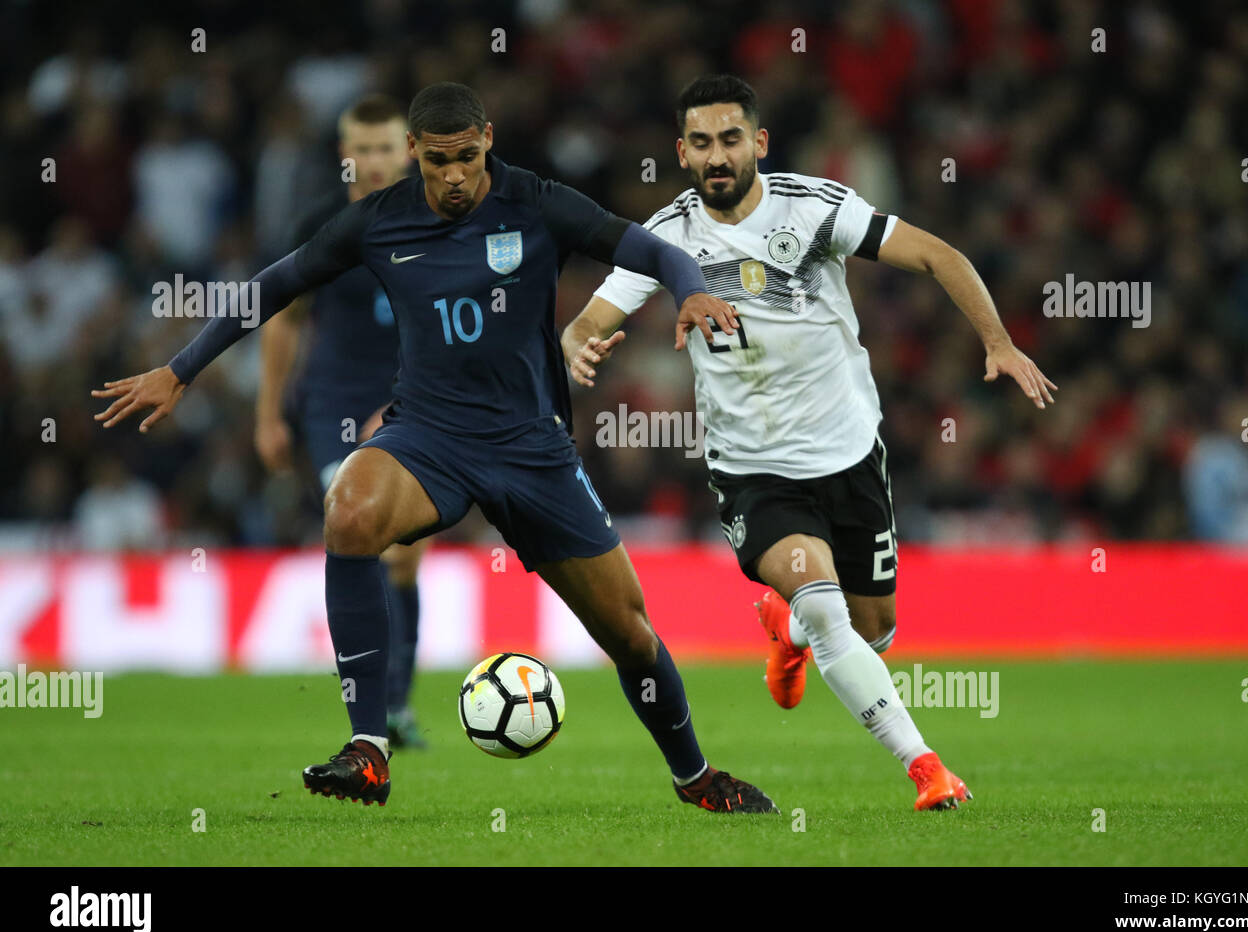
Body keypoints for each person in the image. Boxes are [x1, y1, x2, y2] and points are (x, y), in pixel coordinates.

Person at [93, 81, 775, 814]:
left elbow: (650, 248)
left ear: (487, 140)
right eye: (438, 161)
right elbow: (275, 285)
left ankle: (695, 777)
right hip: (429, 436)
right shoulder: (377, 221)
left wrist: (692, 291)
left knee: (632, 636)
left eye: (467, 158)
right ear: (415, 152)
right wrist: (179, 370)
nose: (453, 176)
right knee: (348, 511)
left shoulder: (537, 202)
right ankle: (369, 749)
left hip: (531, 448)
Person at [563, 74, 1057, 810]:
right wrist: (578, 345)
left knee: (875, 632)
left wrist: (998, 343)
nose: (717, 156)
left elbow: (938, 255)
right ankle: (927, 769)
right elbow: (588, 319)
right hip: (755, 471)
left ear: (759, 142)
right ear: (682, 153)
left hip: (850, 455)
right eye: (701, 143)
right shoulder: (665, 237)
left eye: (731, 139)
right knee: (831, 614)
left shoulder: (817, 208)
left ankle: (783, 624)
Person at [255, 93, 429, 749]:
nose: (375, 161)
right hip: (335, 400)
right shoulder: (321, 223)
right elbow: (284, 319)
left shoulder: (436, 220)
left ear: (409, 153)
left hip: (413, 399)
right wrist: (270, 412)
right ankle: (375, 709)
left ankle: (396, 704)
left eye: (387, 148)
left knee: (406, 553)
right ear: (344, 154)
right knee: (371, 533)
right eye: (363, 149)